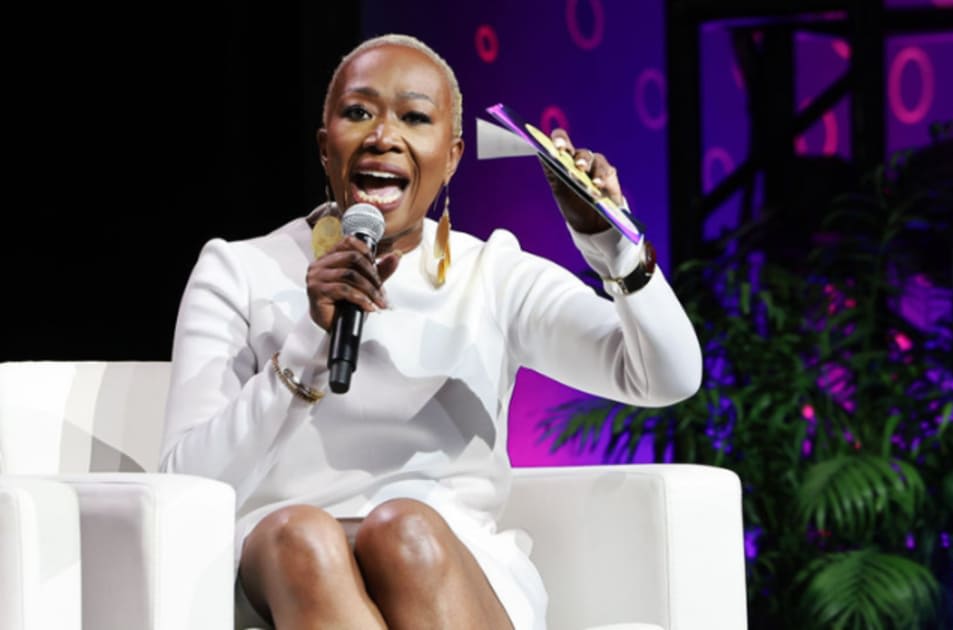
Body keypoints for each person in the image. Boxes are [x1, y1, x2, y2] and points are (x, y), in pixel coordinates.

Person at [159, 33, 701, 630]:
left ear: (451, 157)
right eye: (358, 112)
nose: (382, 136)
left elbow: (665, 377)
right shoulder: (239, 269)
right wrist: (309, 346)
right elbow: (188, 487)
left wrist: (613, 248)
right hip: (282, 569)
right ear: (324, 147)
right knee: (301, 535)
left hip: (448, 559)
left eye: (414, 117)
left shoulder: (491, 275)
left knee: (403, 529)